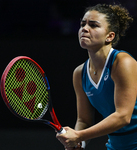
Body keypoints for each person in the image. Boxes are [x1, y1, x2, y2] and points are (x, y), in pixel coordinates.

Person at [56, 3, 137, 150]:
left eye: (93, 25)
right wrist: (79, 143)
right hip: (116, 146)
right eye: (83, 24)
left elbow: (123, 116)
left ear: (109, 36)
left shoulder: (123, 63)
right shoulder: (79, 73)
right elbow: (84, 120)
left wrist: (80, 136)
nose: (85, 29)